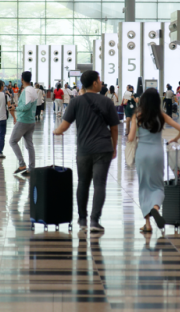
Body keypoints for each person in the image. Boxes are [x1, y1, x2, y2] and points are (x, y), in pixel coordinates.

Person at [54, 70, 120, 235]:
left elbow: (64, 126)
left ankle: (82, 219)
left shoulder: (76, 102)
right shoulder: (106, 102)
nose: (101, 82)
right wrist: (115, 147)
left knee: (83, 183)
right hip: (103, 149)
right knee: (99, 184)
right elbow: (114, 128)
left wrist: (55, 131)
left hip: (83, 150)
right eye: (100, 79)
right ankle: (94, 221)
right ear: (95, 83)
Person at [128, 88, 180, 233]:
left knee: (144, 187)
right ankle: (155, 208)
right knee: (158, 186)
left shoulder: (137, 115)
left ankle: (147, 223)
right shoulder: (162, 115)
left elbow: (130, 138)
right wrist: (174, 139)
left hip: (142, 154)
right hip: (157, 153)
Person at [10, 71, 38, 177]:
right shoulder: (33, 90)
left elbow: (26, 107)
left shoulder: (26, 91)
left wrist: (15, 108)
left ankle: (22, 164)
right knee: (29, 145)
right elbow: (28, 105)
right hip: (31, 121)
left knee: (12, 141)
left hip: (23, 121)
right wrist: (18, 105)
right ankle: (31, 168)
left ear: (22, 79)